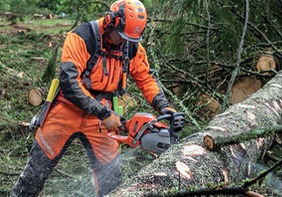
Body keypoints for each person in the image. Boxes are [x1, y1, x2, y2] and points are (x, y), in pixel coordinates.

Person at [11, 0, 177, 196]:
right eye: (120, 36)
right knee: (35, 173)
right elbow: (69, 82)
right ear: (110, 22)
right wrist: (103, 113)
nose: (122, 42)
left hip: (101, 116)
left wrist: (163, 106)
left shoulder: (131, 46)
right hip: (67, 109)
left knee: (111, 180)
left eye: (128, 38)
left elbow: (145, 78)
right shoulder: (82, 37)